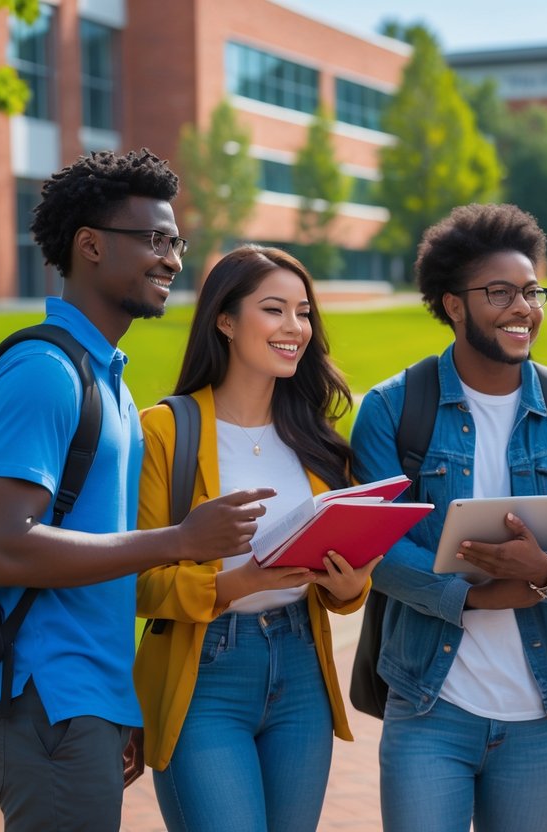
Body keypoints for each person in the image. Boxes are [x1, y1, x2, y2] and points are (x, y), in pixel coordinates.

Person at [0, 150, 274, 831]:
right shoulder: (44, 371)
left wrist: (117, 706)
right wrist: (181, 540)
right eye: (153, 240)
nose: (171, 259)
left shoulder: (108, 379)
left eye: (175, 242)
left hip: (84, 700)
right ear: (91, 246)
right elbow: (0, 550)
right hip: (44, 697)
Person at [350, 203, 547, 832]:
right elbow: (376, 549)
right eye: (500, 292)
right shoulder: (392, 408)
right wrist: (474, 598)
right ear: (453, 304)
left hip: (537, 711)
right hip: (428, 705)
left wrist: (546, 572)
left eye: (532, 291)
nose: (524, 308)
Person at [133, 245, 376, 832]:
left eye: (304, 312)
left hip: (301, 672)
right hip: (205, 673)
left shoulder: (314, 437)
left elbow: (341, 590)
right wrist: (237, 583)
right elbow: (137, 580)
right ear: (225, 319)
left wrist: (351, 584)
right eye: (274, 310)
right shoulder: (165, 430)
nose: (295, 328)